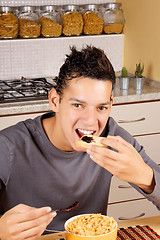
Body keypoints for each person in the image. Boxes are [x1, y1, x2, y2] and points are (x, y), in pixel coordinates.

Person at [0, 45, 160, 240]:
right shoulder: (7, 147)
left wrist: (145, 176)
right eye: (78, 105)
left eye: (101, 107)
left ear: (111, 103)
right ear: (54, 100)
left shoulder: (113, 139)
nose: (91, 121)